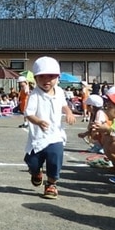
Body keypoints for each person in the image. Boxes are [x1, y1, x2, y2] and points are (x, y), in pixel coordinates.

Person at [23, 56, 76, 200]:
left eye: (51, 77)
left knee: (55, 158)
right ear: (35, 78)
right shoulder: (35, 95)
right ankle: (36, 172)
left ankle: (51, 183)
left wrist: (69, 112)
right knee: (32, 162)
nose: (47, 81)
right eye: (42, 77)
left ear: (57, 77)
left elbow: (64, 104)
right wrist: (38, 121)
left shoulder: (59, 91)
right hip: (38, 138)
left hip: (55, 134)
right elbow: (29, 114)